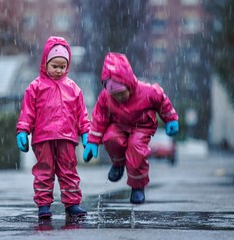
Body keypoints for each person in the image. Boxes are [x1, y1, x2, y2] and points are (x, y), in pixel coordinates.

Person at [83, 52, 179, 204]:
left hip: (142, 126)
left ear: (129, 85)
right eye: (115, 95)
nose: (119, 98)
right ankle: (118, 163)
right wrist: (93, 140)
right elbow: (99, 117)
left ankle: (137, 185)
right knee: (110, 138)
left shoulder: (148, 92)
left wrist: (170, 119)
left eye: (122, 94)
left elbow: (162, 101)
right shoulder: (105, 97)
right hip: (119, 124)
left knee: (136, 149)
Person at [16, 36, 90, 219]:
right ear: (45, 63)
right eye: (54, 66)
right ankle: (43, 205)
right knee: (44, 171)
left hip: (67, 137)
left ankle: (72, 203)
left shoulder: (73, 88)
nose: (58, 70)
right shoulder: (35, 87)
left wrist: (87, 134)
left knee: (68, 170)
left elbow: (82, 114)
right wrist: (23, 131)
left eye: (62, 66)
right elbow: (27, 112)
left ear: (68, 66)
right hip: (43, 138)